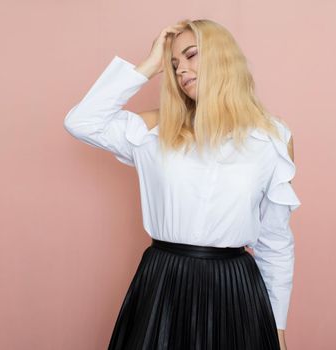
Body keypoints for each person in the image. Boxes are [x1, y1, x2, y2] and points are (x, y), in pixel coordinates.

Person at [63, 18, 301, 350]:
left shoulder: (272, 138)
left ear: (222, 58)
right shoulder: (155, 129)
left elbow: (275, 242)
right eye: (174, 64)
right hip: (163, 284)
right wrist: (149, 65)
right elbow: (81, 121)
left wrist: (277, 327)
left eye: (191, 56)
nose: (180, 70)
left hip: (235, 290)